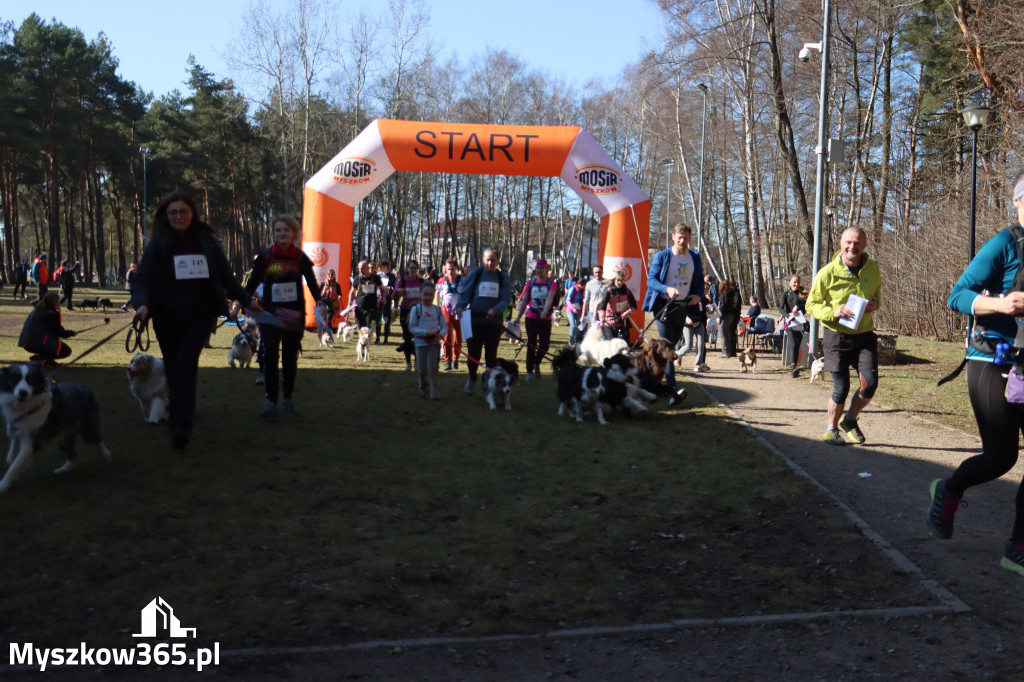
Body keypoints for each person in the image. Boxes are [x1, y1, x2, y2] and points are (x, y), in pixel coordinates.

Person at [927, 171, 1024, 576]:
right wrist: (1002, 305)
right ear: (1018, 201)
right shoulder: (1004, 242)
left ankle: (1018, 547)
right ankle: (949, 489)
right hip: (992, 361)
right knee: (1001, 458)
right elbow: (957, 295)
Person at [135, 192, 262, 449]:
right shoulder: (158, 242)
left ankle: (180, 425)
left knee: (185, 363)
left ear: (192, 213)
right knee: (174, 365)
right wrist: (142, 304)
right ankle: (181, 409)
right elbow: (143, 278)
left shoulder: (207, 241)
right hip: (165, 315)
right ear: (166, 216)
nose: (178, 216)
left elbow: (226, 276)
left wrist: (246, 300)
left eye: (183, 211)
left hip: (200, 314)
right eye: (173, 212)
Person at [805, 226, 882, 446]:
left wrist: (875, 305)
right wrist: (833, 312)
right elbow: (811, 304)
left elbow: (877, 296)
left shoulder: (873, 268)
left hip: (864, 335)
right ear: (841, 243)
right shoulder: (828, 272)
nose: (852, 247)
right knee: (841, 388)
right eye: (848, 242)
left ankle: (850, 419)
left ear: (864, 244)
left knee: (870, 384)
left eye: (857, 242)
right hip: (836, 336)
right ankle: (831, 429)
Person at [245, 215, 321, 420]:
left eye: (286, 230)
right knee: (270, 358)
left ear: (294, 233)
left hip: (294, 316)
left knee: (289, 358)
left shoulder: (300, 257)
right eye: (278, 230)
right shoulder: (265, 256)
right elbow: (252, 282)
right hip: (270, 315)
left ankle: (287, 398)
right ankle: (271, 401)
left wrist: (321, 302)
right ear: (273, 233)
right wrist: (243, 301)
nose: (282, 234)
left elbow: (312, 283)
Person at [641, 223, 704, 405]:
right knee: (668, 346)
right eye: (679, 236)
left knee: (671, 347)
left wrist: (698, 295)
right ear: (673, 237)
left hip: (683, 305)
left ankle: (649, 381)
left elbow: (699, 281)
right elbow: (651, 280)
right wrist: (666, 289)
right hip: (664, 305)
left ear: (689, 238)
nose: (682, 240)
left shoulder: (695, 257)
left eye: (685, 237)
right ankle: (673, 389)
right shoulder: (663, 256)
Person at [456, 248, 513, 395]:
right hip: (474, 321)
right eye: (488, 259)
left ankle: (490, 382)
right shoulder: (476, 274)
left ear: (498, 260)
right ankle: (472, 377)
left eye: (493, 259)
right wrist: (460, 307)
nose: (490, 262)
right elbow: (465, 293)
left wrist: (495, 310)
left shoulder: (503, 277)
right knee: (473, 355)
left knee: (491, 356)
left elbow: (505, 299)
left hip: (493, 323)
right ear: (483, 260)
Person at [513, 259, 559, 380]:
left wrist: (545, 311)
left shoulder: (551, 283)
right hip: (531, 317)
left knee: (544, 345)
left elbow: (550, 298)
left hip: (545, 318)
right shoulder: (531, 282)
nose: (539, 270)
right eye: (537, 268)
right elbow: (525, 300)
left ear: (546, 269)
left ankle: (536, 362)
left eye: (541, 268)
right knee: (531, 345)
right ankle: (529, 372)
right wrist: (518, 317)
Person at [409, 281, 447, 400]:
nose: (428, 297)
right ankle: (422, 385)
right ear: (420, 294)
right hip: (420, 344)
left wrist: (439, 335)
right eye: (425, 294)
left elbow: (444, 327)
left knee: (432, 368)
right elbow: (412, 327)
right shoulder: (416, 309)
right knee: (421, 370)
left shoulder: (437, 310)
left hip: (434, 344)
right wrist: (426, 333)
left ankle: (434, 392)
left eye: (431, 294)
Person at [18, 292, 75, 365]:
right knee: (66, 351)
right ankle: (40, 358)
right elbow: (59, 332)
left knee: (54, 342)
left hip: (27, 342)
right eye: (58, 301)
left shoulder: (39, 309)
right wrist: (72, 333)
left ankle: (48, 360)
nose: (59, 303)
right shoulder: (50, 313)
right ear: (54, 302)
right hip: (35, 343)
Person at [393, 260, 424, 371]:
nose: (413, 270)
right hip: (405, 311)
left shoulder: (421, 281)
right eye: (411, 268)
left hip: (418, 312)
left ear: (418, 269)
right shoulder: (403, 280)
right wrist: (399, 291)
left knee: (417, 337)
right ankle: (408, 363)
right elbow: (393, 295)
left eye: (415, 268)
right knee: (407, 337)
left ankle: (417, 362)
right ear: (408, 269)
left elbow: (428, 295)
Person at [435, 258, 463, 371]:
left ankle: (456, 359)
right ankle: (448, 361)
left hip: (458, 311)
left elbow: (467, 293)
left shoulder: (462, 280)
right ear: (445, 269)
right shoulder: (442, 280)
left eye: (452, 269)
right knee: (446, 336)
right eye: (448, 269)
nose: (450, 271)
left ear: (456, 268)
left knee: (458, 337)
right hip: (445, 311)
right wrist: (437, 308)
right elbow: (437, 293)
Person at [595, 270, 637, 342]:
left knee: (623, 344)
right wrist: (602, 320)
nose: (620, 282)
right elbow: (602, 307)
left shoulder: (627, 291)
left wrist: (628, 312)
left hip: (622, 321)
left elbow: (634, 306)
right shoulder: (608, 291)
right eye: (618, 280)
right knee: (611, 344)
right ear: (614, 280)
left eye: (622, 280)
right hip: (609, 322)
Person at [779, 274, 807, 378]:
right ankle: (794, 367)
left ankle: (795, 366)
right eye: (794, 282)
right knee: (794, 344)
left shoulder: (802, 293)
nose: (796, 284)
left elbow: (807, 306)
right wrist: (787, 316)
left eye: (798, 282)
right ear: (789, 283)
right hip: (790, 323)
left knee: (798, 345)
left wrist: (798, 307)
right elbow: (781, 309)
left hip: (800, 322)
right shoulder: (786, 294)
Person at [348, 260, 382, 331]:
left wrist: (384, 297)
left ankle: (369, 336)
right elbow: (352, 291)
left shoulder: (375, 278)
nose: (360, 270)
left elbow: (383, 289)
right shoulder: (357, 278)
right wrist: (350, 303)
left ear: (367, 268)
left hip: (372, 307)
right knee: (360, 328)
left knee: (369, 327)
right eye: (359, 268)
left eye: (362, 268)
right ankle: (362, 338)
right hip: (360, 307)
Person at [718, 279, 742, 358]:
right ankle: (731, 351)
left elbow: (724, 306)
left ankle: (729, 351)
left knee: (726, 334)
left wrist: (720, 315)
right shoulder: (731, 293)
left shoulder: (730, 294)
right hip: (731, 315)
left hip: (730, 315)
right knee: (729, 334)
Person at [581, 264, 606, 330]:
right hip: (592, 311)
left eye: (599, 272)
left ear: (602, 272)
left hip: (604, 311)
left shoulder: (607, 283)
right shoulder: (589, 284)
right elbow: (586, 300)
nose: (597, 274)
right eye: (596, 272)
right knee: (595, 331)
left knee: (604, 331)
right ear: (593, 273)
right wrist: (583, 315)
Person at [376, 259, 395, 344]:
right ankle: (377, 337)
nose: (379, 268)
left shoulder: (392, 275)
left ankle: (386, 338)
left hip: (387, 299)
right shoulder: (378, 275)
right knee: (378, 318)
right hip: (379, 299)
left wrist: (388, 288)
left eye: (380, 267)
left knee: (387, 318)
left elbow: (393, 287)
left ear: (385, 266)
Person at [564, 273, 585, 346]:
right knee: (573, 325)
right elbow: (568, 300)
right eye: (584, 285)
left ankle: (577, 341)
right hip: (570, 309)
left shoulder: (582, 290)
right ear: (581, 284)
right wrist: (573, 309)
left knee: (578, 325)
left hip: (578, 309)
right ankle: (571, 342)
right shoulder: (573, 289)